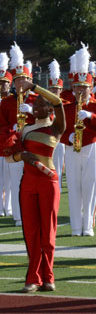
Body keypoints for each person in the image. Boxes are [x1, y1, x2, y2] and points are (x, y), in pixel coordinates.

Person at [10, 77, 65, 292]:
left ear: (48, 108)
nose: (35, 107)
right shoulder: (25, 129)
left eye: (41, 104)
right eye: (34, 104)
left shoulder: (56, 127)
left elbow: (59, 102)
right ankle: (33, 277)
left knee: (47, 232)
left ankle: (48, 276)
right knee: (31, 232)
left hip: (48, 182)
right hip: (28, 182)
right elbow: (10, 156)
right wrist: (22, 156)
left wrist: (33, 87)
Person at [61, 45, 96, 237]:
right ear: (73, 88)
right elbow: (57, 130)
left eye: (84, 87)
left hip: (91, 147)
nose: (81, 90)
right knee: (73, 186)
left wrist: (91, 116)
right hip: (72, 149)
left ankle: (88, 225)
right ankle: (75, 227)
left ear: (91, 88)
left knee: (90, 186)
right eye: (77, 87)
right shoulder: (66, 108)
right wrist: (68, 137)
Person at [0, 44, 38, 227]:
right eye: (17, 80)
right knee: (15, 182)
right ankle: (18, 216)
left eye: (24, 80)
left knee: (33, 182)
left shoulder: (38, 99)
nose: (20, 83)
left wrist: (32, 111)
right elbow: (1, 125)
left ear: (30, 80)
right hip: (15, 147)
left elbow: (50, 120)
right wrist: (12, 128)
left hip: (33, 146)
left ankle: (31, 213)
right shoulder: (7, 103)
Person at [0, 53, 12, 217]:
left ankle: (8, 206)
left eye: (5, 83)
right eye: (0, 82)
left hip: (9, 143)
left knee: (10, 179)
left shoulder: (13, 100)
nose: (2, 85)